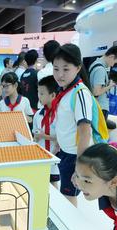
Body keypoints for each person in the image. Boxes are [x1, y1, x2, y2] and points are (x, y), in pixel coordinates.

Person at [49, 43, 96, 207]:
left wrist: (79, 166)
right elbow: (65, 124)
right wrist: (58, 145)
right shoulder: (65, 90)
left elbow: (85, 132)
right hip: (66, 152)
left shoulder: (80, 93)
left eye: (66, 69)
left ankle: (71, 229)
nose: (60, 74)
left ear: (78, 68)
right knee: (65, 193)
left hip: (75, 156)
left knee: (68, 198)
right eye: (56, 68)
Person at [32, 75, 60, 188]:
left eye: (42, 93)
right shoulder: (38, 114)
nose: (39, 96)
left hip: (55, 157)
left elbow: (61, 138)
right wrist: (36, 138)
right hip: (40, 158)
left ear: (53, 95)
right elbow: (35, 135)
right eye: (38, 92)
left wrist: (44, 136)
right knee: (40, 186)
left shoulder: (60, 114)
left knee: (54, 187)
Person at [89, 46, 117, 128]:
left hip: (96, 107)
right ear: (111, 57)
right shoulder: (100, 69)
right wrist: (110, 86)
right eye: (114, 62)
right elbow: (96, 91)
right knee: (100, 136)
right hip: (100, 109)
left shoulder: (95, 64)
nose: (112, 65)